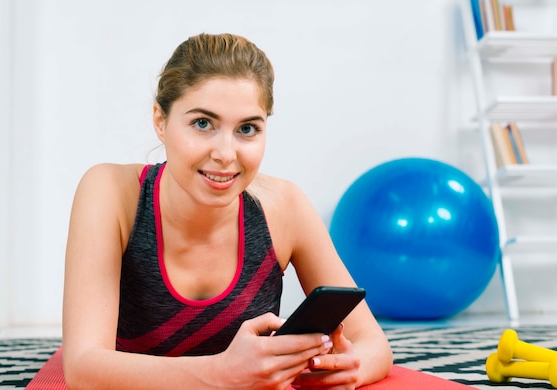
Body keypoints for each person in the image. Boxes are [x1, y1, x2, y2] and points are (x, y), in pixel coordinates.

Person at [62, 32, 393, 389]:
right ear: (160, 120)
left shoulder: (285, 206)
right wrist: (222, 375)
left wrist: (347, 368)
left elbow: (374, 345)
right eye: (202, 124)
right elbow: (83, 368)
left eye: (247, 129)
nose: (225, 153)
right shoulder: (111, 193)